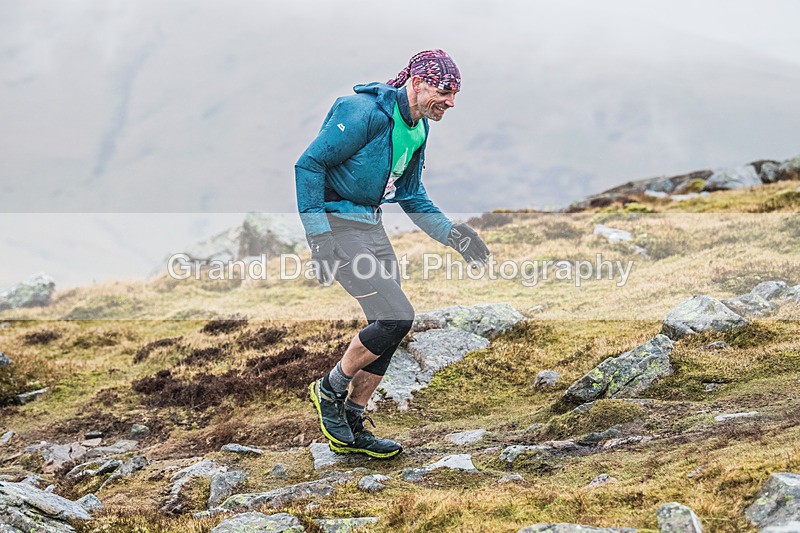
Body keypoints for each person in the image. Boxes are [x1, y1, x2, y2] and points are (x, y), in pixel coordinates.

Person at [295, 49, 490, 458]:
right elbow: (309, 164)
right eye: (445, 91)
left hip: (371, 226)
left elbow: (413, 195)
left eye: (455, 94)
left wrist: (454, 236)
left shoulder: (418, 129)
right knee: (397, 314)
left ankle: (353, 420)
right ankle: (328, 390)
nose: (451, 102)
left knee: (390, 326)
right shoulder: (363, 112)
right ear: (417, 83)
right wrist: (319, 238)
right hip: (337, 227)